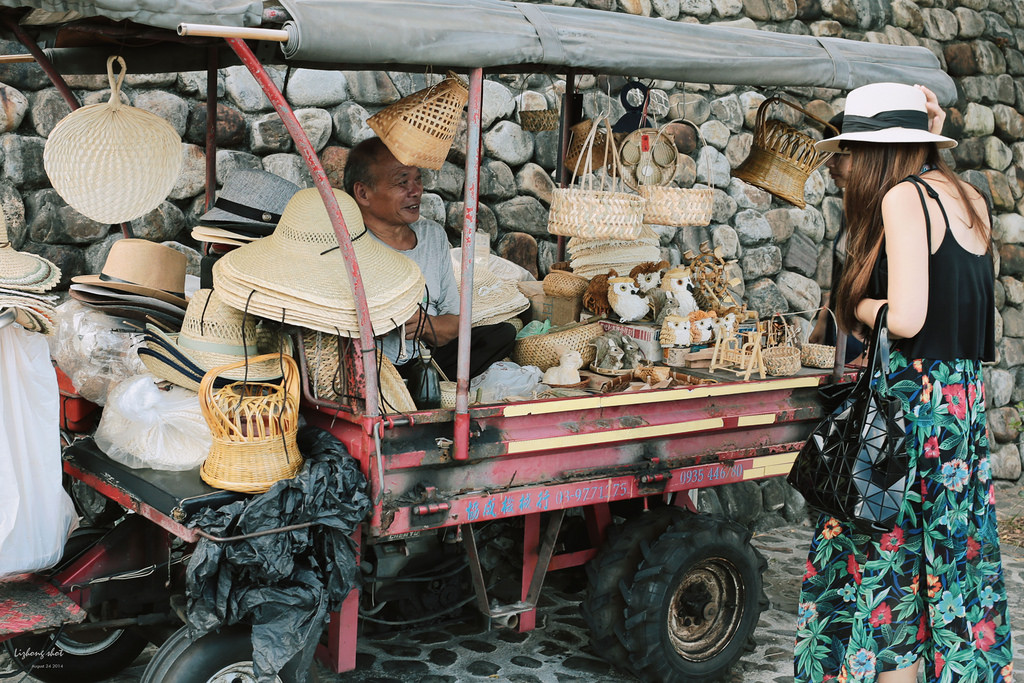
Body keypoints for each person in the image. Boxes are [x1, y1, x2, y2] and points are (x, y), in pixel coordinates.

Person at [794, 83, 1013, 682]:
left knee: (885, 570)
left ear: (874, 152)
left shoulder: (903, 199)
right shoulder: (969, 197)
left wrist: (855, 302)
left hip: (910, 409)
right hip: (959, 410)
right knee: (945, 566)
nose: (846, 167)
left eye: (851, 153)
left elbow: (911, 317)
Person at [344, 137, 516, 381]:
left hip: (428, 359)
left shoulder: (432, 235)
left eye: (418, 179)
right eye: (402, 182)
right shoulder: (348, 244)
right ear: (363, 193)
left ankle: (424, 386)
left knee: (502, 335)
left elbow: (455, 322)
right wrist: (379, 324)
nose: (415, 191)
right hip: (373, 368)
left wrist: (425, 326)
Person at [808, 112, 865, 365]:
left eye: (839, 155)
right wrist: (824, 319)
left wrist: (866, 356)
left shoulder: (885, 212)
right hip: (840, 331)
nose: (829, 164)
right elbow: (843, 274)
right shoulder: (850, 207)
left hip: (864, 342)